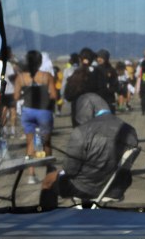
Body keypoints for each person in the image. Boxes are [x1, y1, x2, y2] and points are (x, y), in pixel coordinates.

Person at [38, 92, 138, 209]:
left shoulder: (82, 131)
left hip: (87, 188)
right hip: (117, 186)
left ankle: (48, 218)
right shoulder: (129, 130)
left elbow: (70, 169)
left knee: (49, 179)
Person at [13, 50, 57, 184]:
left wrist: (25, 94)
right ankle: (49, 169)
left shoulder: (20, 77)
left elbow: (16, 97)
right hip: (43, 111)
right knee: (47, 142)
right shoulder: (46, 76)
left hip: (28, 111)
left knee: (29, 142)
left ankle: (31, 174)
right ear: (40, 62)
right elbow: (54, 95)